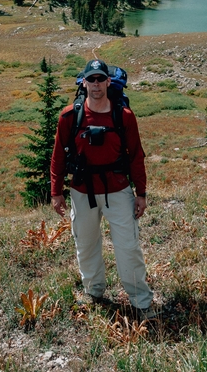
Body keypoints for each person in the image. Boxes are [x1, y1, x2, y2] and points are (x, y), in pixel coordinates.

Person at [51, 58, 156, 318]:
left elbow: (136, 156)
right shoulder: (68, 116)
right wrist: (56, 192)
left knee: (128, 246)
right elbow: (58, 157)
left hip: (118, 188)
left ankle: (141, 302)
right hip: (81, 190)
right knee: (85, 244)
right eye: (91, 79)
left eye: (101, 79)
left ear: (109, 82)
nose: (96, 84)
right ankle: (94, 292)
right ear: (83, 82)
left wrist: (140, 193)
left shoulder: (124, 116)